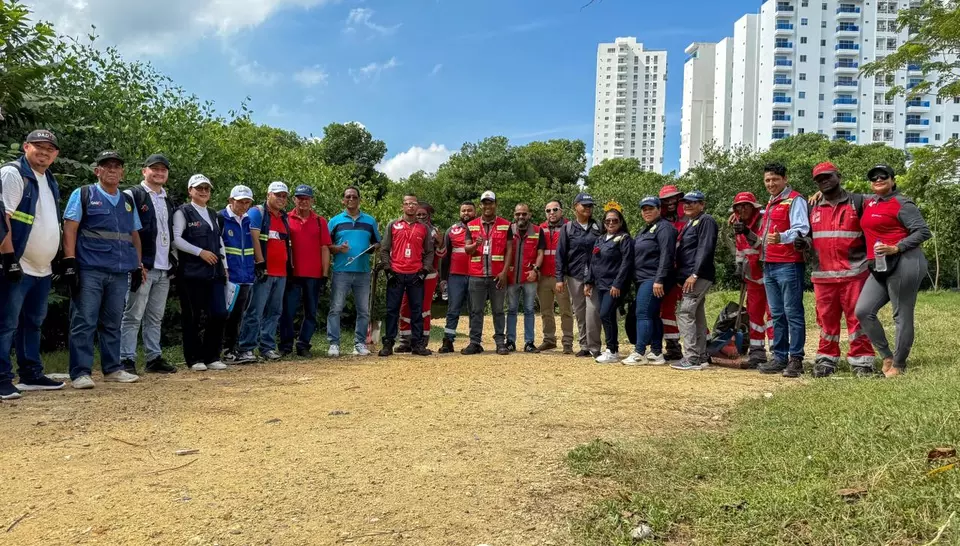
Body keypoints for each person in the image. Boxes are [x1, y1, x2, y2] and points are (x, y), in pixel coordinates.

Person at [62, 150, 144, 389]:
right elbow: (70, 228)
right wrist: (69, 261)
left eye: (117, 166)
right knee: (84, 321)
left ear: (122, 172)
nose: (112, 170)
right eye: (107, 166)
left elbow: (134, 234)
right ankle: (80, 372)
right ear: (97, 171)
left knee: (113, 322)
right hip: (90, 269)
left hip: (119, 272)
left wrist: (137, 265)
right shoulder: (84, 194)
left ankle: (113, 369)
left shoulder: (127, 201)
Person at [0, 130, 65, 399]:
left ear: (56, 154)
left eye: (50, 149)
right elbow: (2, 217)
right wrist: (8, 258)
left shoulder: (49, 179)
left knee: (32, 323)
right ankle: (2, 378)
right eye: (39, 146)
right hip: (17, 264)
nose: (44, 152)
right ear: (26, 147)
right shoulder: (13, 174)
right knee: (5, 323)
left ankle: (30, 374)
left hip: (42, 268)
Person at [795, 163, 876, 378]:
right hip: (823, 277)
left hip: (855, 274)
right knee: (826, 321)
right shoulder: (811, 207)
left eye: (828, 176)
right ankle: (826, 359)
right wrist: (804, 243)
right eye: (819, 179)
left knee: (858, 319)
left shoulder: (859, 202)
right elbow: (808, 237)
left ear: (838, 176)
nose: (824, 181)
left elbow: (885, 199)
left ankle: (862, 361)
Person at [854, 164, 931, 377]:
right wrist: (819, 194)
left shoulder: (902, 203)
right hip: (879, 265)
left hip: (905, 261)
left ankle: (898, 364)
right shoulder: (870, 201)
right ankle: (887, 356)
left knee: (901, 314)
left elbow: (923, 231)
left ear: (893, 180)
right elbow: (843, 195)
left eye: (883, 176)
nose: (878, 179)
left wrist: (897, 247)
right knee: (863, 310)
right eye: (874, 177)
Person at [119, 154, 178, 374]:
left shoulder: (167, 199)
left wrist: (172, 260)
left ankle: (154, 358)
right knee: (133, 315)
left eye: (163, 170)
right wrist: (135, 263)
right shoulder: (133, 195)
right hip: (142, 266)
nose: (159, 173)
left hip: (163, 268)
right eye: (155, 169)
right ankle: (126, 358)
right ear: (144, 171)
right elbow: (126, 231)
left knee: (155, 316)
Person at [757, 162, 810, 378]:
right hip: (769, 264)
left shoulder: (795, 200)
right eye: (767, 180)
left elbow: (802, 229)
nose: (771, 183)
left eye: (775, 179)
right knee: (777, 313)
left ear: (785, 179)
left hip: (789, 264)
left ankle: (796, 359)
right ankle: (779, 357)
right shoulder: (770, 203)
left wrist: (782, 237)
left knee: (792, 312)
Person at [172, 174, 228, 371]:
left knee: (219, 312)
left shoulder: (213, 213)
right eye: (199, 188)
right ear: (190, 191)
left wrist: (225, 266)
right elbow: (176, 239)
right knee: (194, 316)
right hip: (192, 273)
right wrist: (200, 252)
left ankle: (212, 356)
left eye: (206, 188)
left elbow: (219, 241)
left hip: (215, 272)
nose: (203, 191)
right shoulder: (183, 212)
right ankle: (194, 358)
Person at [236, 181, 292, 363]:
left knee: (274, 312)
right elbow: (253, 237)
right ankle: (246, 347)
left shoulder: (284, 217)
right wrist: (260, 262)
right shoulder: (257, 212)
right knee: (255, 311)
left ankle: (267, 347)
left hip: (281, 272)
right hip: (264, 271)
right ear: (268, 195)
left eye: (284, 196)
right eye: (277, 195)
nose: (281, 198)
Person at [377, 193, 434, 357]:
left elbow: (429, 252)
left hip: (415, 274)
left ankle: (417, 344)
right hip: (396, 273)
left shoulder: (424, 228)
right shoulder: (393, 225)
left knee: (417, 310)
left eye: (414, 204)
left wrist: (424, 270)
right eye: (407, 203)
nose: (411, 206)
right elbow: (384, 249)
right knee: (392, 310)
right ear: (402, 206)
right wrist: (388, 269)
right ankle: (388, 343)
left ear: (417, 206)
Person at [623, 196, 677, 366]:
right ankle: (656, 352)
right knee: (652, 314)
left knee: (643, 313)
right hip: (643, 278)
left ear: (659, 209)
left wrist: (659, 279)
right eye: (644, 209)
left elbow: (667, 254)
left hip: (653, 278)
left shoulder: (664, 228)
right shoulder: (645, 230)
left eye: (650, 208)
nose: (647, 212)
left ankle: (639, 352)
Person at [327, 186, 380, 357]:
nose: (351, 199)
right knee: (336, 309)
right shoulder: (334, 221)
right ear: (343, 200)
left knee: (363, 310)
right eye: (348, 196)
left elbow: (377, 243)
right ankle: (334, 344)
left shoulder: (370, 221)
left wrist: (374, 247)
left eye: (354, 197)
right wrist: (338, 248)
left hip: (363, 272)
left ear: (359, 200)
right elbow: (327, 246)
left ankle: (359, 343)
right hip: (341, 271)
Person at [279, 185, 332, 357]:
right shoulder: (285, 218)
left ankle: (303, 345)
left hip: (314, 274)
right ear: (294, 199)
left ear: (312, 201)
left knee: (311, 312)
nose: (303, 201)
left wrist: (325, 273)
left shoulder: (320, 221)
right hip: (292, 274)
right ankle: (286, 345)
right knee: (288, 311)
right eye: (300, 198)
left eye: (306, 198)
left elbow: (325, 248)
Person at [670, 191, 718, 371]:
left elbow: (706, 248)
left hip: (699, 275)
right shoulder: (690, 223)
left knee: (685, 312)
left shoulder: (706, 220)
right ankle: (701, 355)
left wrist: (695, 274)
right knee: (697, 314)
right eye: (685, 203)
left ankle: (691, 357)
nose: (688, 205)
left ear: (702, 204)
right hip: (689, 275)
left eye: (693, 202)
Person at [462, 190, 514, 355]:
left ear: (495, 204)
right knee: (476, 311)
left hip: (497, 276)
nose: (487, 206)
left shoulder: (506, 225)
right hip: (476, 275)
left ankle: (500, 343)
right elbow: (467, 249)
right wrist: (475, 245)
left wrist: (504, 272)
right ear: (480, 205)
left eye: (490, 203)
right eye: (485, 203)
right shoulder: (471, 225)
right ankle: (474, 343)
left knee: (498, 310)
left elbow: (509, 250)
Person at [585, 202, 633, 364]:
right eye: (607, 221)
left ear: (621, 222)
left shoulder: (624, 239)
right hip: (600, 284)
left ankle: (611, 350)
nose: (611, 223)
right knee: (608, 315)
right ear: (603, 223)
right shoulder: (600, 239)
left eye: (614, 220)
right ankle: (613, 350)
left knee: (605, 314)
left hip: (614, 286)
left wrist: (618, 284)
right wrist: (588, 282)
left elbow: (626, 263)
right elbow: (593, 261)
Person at [556, 193, 603, 358]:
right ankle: (584, 345)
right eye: (585, 205)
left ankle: (595, 347)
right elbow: (560, 254)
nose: (588, 208)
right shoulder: (567, 228)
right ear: (575, 206)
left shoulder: (599, 226)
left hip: (595, 277)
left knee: (593, 311)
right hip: (574, 275)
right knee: (580, 312)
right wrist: (559, 278)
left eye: (590, 205)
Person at [731, 191, 773, 368]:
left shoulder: (764, 220)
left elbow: (762, 245)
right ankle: (757, 352)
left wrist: (747, 232)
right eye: (739, 207)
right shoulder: (738, 224)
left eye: (746, 206)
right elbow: (740, 249)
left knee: (772, 314)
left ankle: (777, 352)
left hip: (768, 274)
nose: (742, 209)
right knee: (754, 314)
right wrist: (739, 267)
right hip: (751, 276)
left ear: (753, 207)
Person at [396, 202, 444, 353]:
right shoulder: (406, 227)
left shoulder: (434, 231)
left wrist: (440, 243)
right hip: (410, 272)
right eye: (419, 214)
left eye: (424, 214)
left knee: (423, 308)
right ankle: (405, 340)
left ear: (429, 216)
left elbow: (441, 254)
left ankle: (422, 340)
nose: (421, 217)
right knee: (405, 305)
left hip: (428, 274)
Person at [219, 185, 256, 363]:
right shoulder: (221, 218)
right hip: (228, 276)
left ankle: (230, 350)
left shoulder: (249, 220)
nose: (244, 205)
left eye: (247, 202)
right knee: (222, 314)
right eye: (240, 202)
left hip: (245, 276)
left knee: (237, 315)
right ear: (231, 200)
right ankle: (216, 350)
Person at [506, 203, 546, 353]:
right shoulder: (508, 229)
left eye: (524, 213)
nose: (521, 216)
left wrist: (535, 270)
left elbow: (540, 253)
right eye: (518, 214)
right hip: (512, 277)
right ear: (514, 215)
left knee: (529, 310)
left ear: (529, 215)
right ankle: (510, 341)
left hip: (530, 277)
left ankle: (529, 342)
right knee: (511, 309)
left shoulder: (537, 230)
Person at [438, 202, 476, 353]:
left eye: (469, 210)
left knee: (475, 310)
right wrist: (443, 278)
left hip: (476, 275)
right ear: (459, 213)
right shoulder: (451, 230)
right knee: (453, 309)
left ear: (475, 212)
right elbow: (445, 256)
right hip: (455, 276)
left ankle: (474, 341)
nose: (466, 213)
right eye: (463, 210)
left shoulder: (480, 228)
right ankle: (448, 340)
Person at [537, 200, 574, 354]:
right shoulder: (540, 228)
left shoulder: (570, 227)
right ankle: (549, 340)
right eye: (548, 210)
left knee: (565, 310)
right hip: (543, 276)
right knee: (546, 310)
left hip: (561, 277)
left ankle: (567, 342)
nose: (551, 213)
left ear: (561, 211)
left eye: (555, 209)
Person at [658, 184, 686, 361]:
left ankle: (703, 346)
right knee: (667, 311)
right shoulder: (658, 222)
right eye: (665, 200)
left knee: (689, 311)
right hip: (667, 274)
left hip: (686, 273)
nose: (670, 202)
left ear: (678, 199)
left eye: (672, 198)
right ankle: (673, 346)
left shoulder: (689, 219)